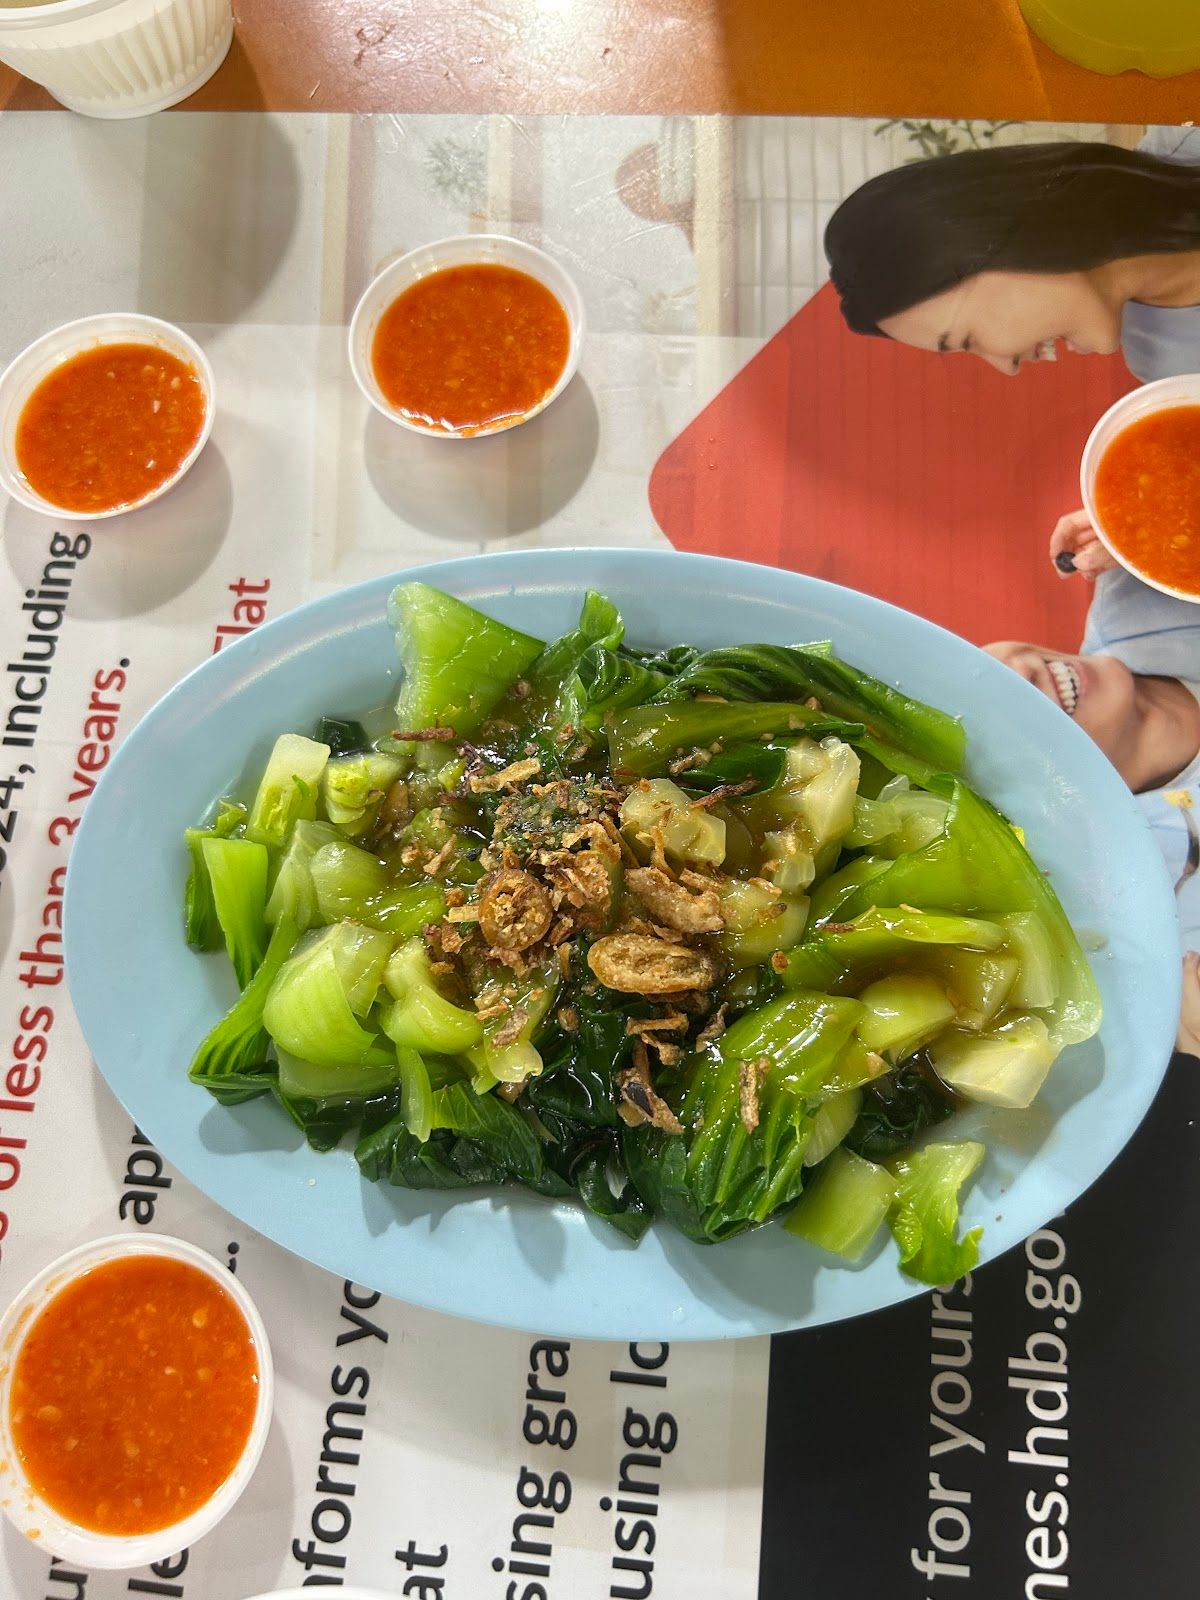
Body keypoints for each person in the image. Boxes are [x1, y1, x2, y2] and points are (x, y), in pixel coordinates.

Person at [825, 129, 1200, 578]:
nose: (1008, 364)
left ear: (1000, 241)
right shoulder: (1166, 361)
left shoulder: (1183, 140)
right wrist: (1157, 518)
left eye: (967, 339)